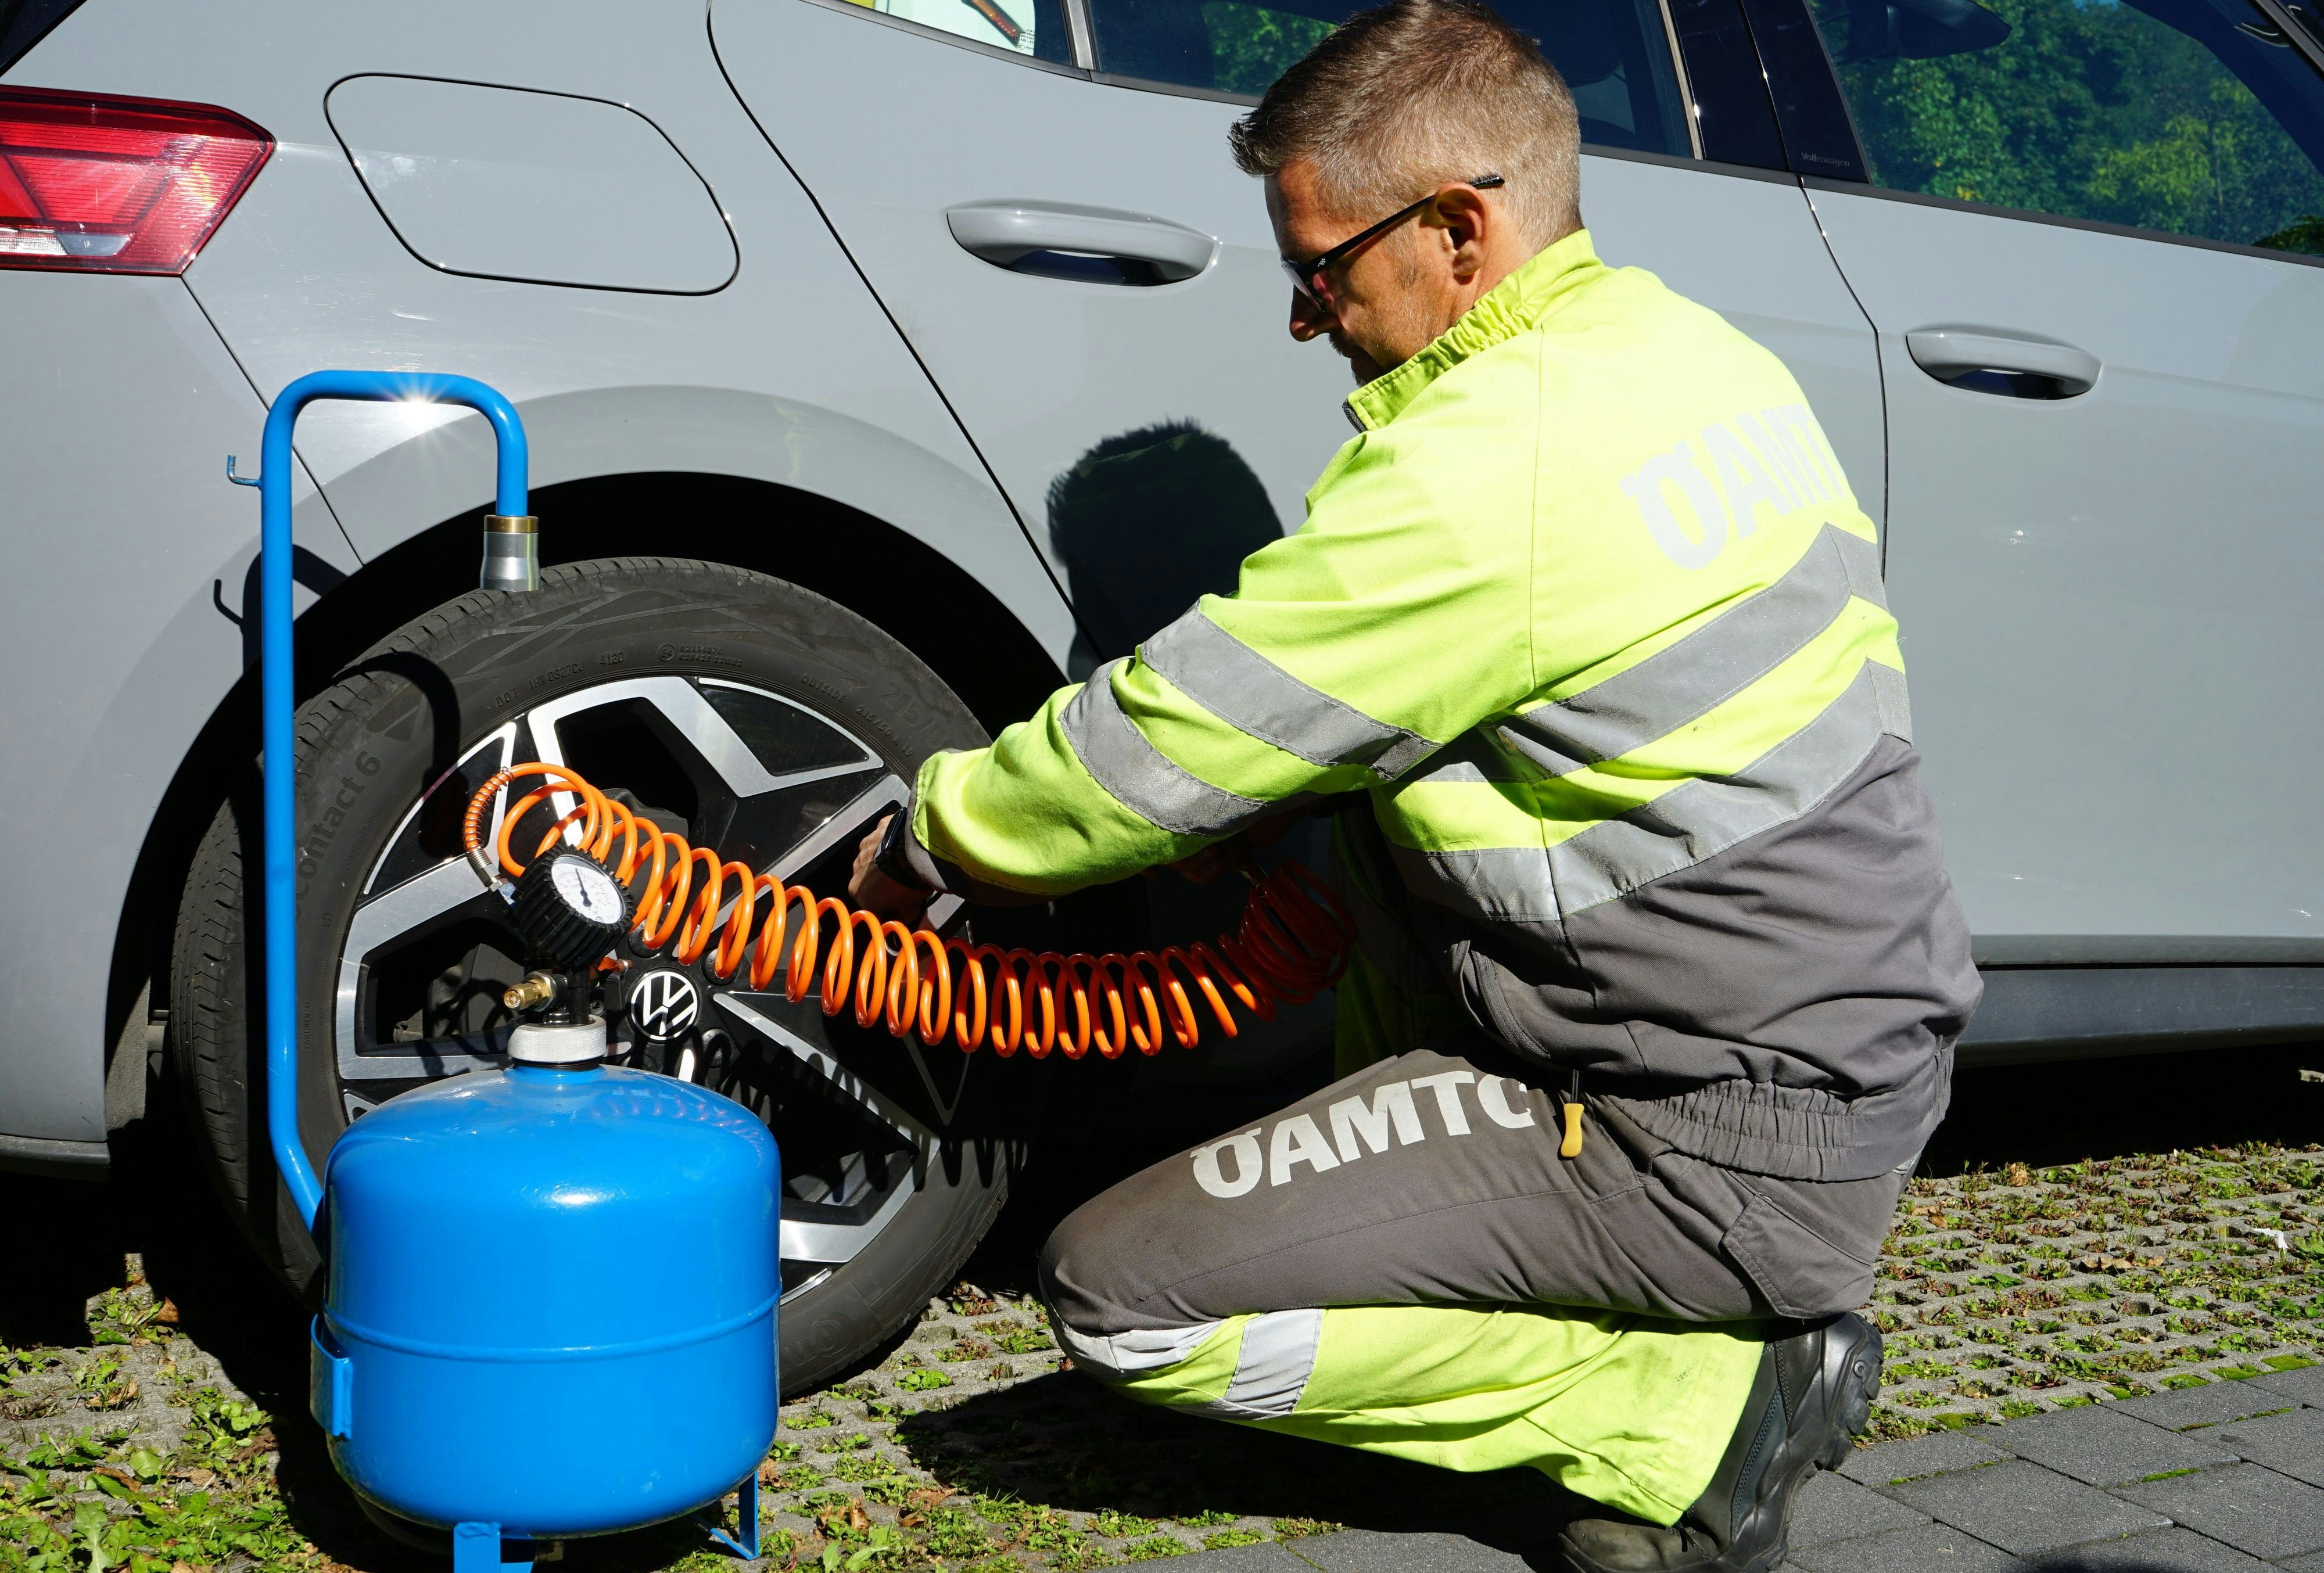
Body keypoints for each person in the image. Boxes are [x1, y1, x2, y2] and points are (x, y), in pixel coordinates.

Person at [849, 2, 1981, 1566]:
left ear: (1458, 229)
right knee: (1355, 833)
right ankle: (1614, 1288)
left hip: (1698, 1137)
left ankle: (1691, 1407)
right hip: (1847, 1074)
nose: (1309, 319)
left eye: (1323, 268)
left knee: (1120, 1295)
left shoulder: (1485, 464)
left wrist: (924, 842)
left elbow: (1161, 742)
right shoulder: (1684, 353)